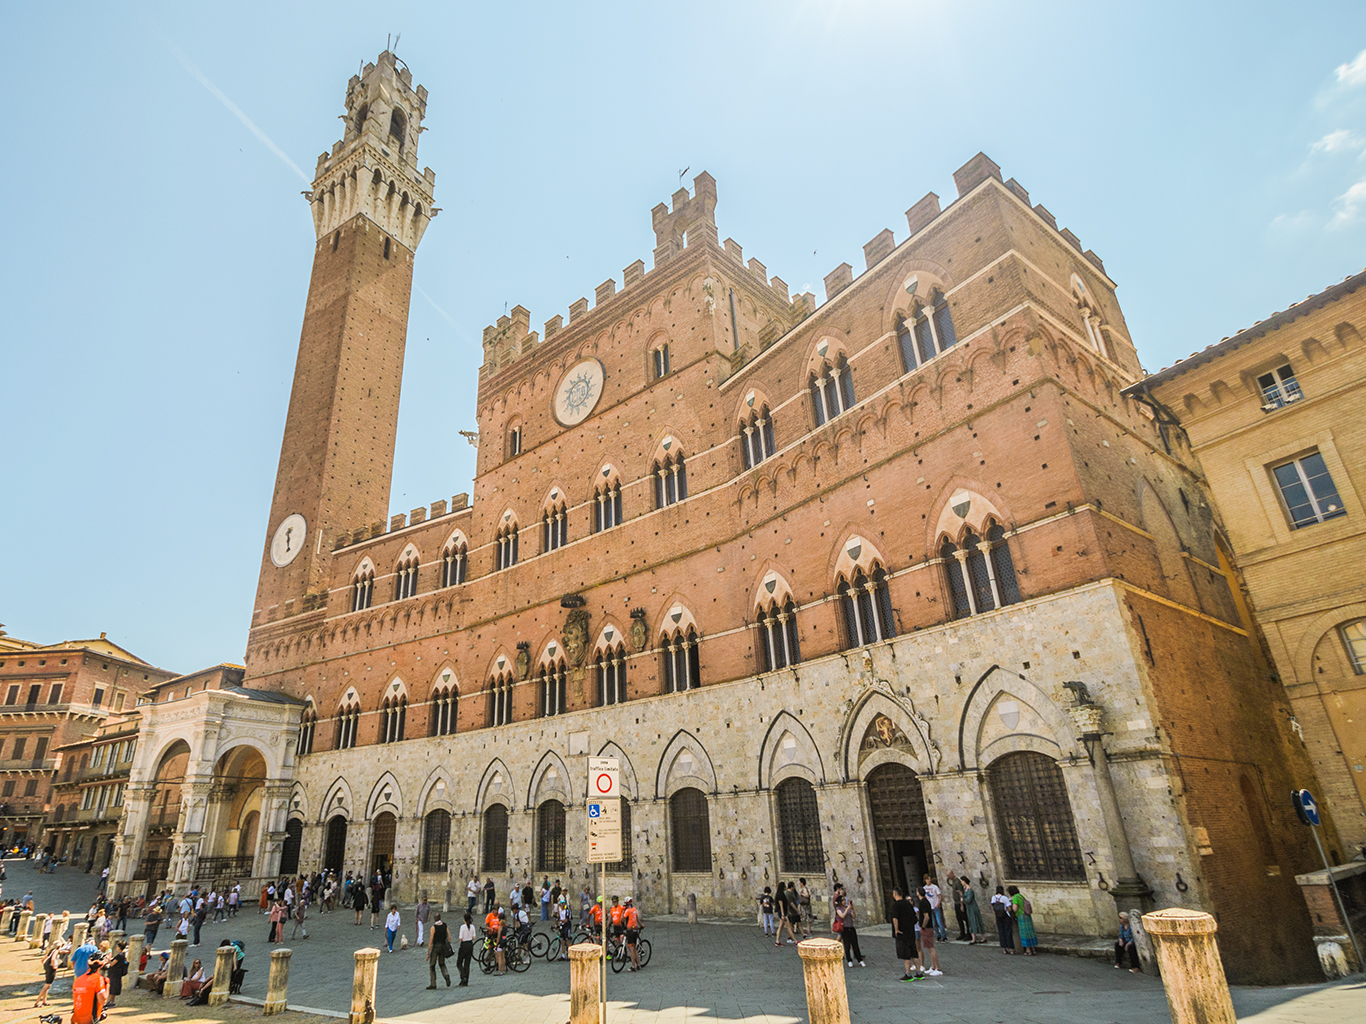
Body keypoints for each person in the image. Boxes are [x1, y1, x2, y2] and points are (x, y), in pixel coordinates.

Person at [890, 888, 923, 981]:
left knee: (905, 954)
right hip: (910, 932)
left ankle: (908, 973)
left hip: (902, 932)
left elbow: (895, 919)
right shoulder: (908, 904)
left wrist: (896, 930)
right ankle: (919, 972)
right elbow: (914, 917)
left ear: (895, 894)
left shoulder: (896, 905)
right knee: (913, 952)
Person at [832, 887, 864, 968]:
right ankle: (849, 960)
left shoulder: (847, 907)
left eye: (844, 900)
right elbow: (842, 915)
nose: (844, 901)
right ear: (839, 902)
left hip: (851, 927)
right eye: (842, 900)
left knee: (855, 944)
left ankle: (859, 959)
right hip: (844, 928)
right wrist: (847, 910)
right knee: (847, 944)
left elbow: (854, 916)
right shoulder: (838, 909)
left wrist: (852, 910)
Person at [916, 887, 943, 976]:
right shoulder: (926, 901)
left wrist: (923, 926)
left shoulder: (923, 903)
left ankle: (937, 968)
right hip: (928, 927)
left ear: (918, 893)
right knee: (928, 947)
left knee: (931, 948)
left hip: (927, 928)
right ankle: (933, 966)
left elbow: (926, 916)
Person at [71, 959, 106, 1024]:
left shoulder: (79, 979)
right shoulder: (98, 978)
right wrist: (108, 985)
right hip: (91, 1018)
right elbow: (102, 1000)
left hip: (77, 1018)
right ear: (101, 966)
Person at [35, 937, 65, 1006]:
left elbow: (43, 960)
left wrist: (46, 966)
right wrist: (55, 966)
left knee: (48, 985)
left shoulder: (51, 950)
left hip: (47, 966)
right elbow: (53, 959)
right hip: (51, 968)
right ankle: (37, 1002)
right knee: (47, 985)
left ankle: (44, 1001)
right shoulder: (56, 951)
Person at [1008, 886, 1037, 956]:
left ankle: (1028, 950)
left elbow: (1015, 908)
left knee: (1024, 932)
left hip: (1021, 916)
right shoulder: (1021, 896)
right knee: (1030, 932)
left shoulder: (1015, 898)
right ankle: (1033, 949)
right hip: (1027, 915)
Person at [426, 912, 452, 988]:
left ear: (434, 919)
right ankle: (446, 975)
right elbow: (449, 937)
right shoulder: (445, 925)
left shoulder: (433, 928)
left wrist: (428, 953)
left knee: (432, 965)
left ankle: (433, 983)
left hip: (436, 946)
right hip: (443, 946)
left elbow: (431, 941)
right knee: (442, 963)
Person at [923, 874, 948, 941]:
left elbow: (939, 896)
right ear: (925, 880)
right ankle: (938, 935)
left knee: (939, 921)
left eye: (929, 878)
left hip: (935, 907)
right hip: (930, 908)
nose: (929, 880)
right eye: (928, 879)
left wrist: (938, 904)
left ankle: (944, 936)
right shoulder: (924, 888)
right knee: (934, 923)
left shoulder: (935, 887)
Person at [962, 878, 987, 944]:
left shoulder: (970, 890)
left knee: (976, 920)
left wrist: (963, 899)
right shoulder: (965, 890)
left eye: (962, 881)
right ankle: (974, 938)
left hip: (973, 907)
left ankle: (983, 938)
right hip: (969, 908)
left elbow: (968, 900)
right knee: (971, 921)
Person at [990, 886, 1014, 954]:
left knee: (1001, 932)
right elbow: (1009, 908)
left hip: (998, 916)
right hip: (1006, 916)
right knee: (1008, 932)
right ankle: (1011, 949)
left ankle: (1004, 949)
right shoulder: (1004, 898)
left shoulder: (993, 898)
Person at [456, 912, 476, 986]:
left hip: (464, 945)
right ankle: (466, 980)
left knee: (459, 963)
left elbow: (460, 938)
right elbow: (474, 937)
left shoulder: (462, 927)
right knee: (467, 964)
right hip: (470, 945)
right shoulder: (472, 927)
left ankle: (463, 976)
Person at [623, 897, 642, 972]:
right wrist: (641, 925)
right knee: (635, 948)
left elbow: (622, 919)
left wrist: (623, 912)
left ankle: (633, 966)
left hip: (630, 931)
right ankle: (639, 965)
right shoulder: (634, 909)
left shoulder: (627, 911)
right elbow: (637, 918)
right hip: (635, 930)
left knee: (631, 950)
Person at [107, 939, 128, 1007]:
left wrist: (107, 960)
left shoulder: (120, 955)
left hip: (115, 973)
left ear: (119, 947)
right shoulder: (123, 954)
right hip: (117, 973)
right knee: (113, 986)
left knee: (113, 987)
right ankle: (111, 1000)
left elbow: (112, 964)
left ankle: (111, 1001)